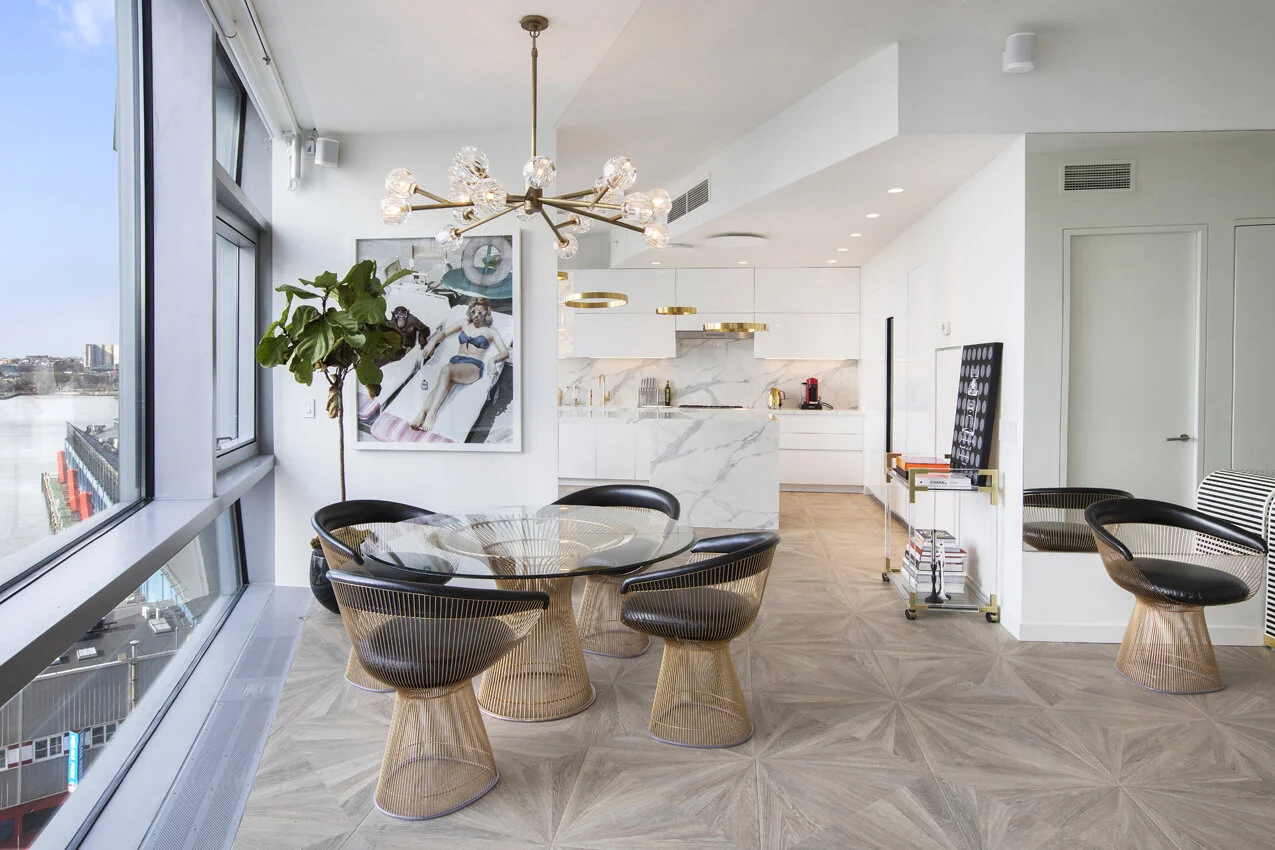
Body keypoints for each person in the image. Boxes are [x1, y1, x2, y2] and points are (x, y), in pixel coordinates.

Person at [409, 297, 508, 432]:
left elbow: (504, 352)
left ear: (486, 313)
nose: (476, 315)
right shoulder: (464, 323)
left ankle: (431, 413)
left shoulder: (491, 332)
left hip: (473, 366)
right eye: (473, 312)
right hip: (456, 362)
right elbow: (444, 333)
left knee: (446, 370)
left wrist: (492, 360)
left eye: (480, 313)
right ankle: (422, 413)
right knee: (440, 386)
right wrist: (432, 342)